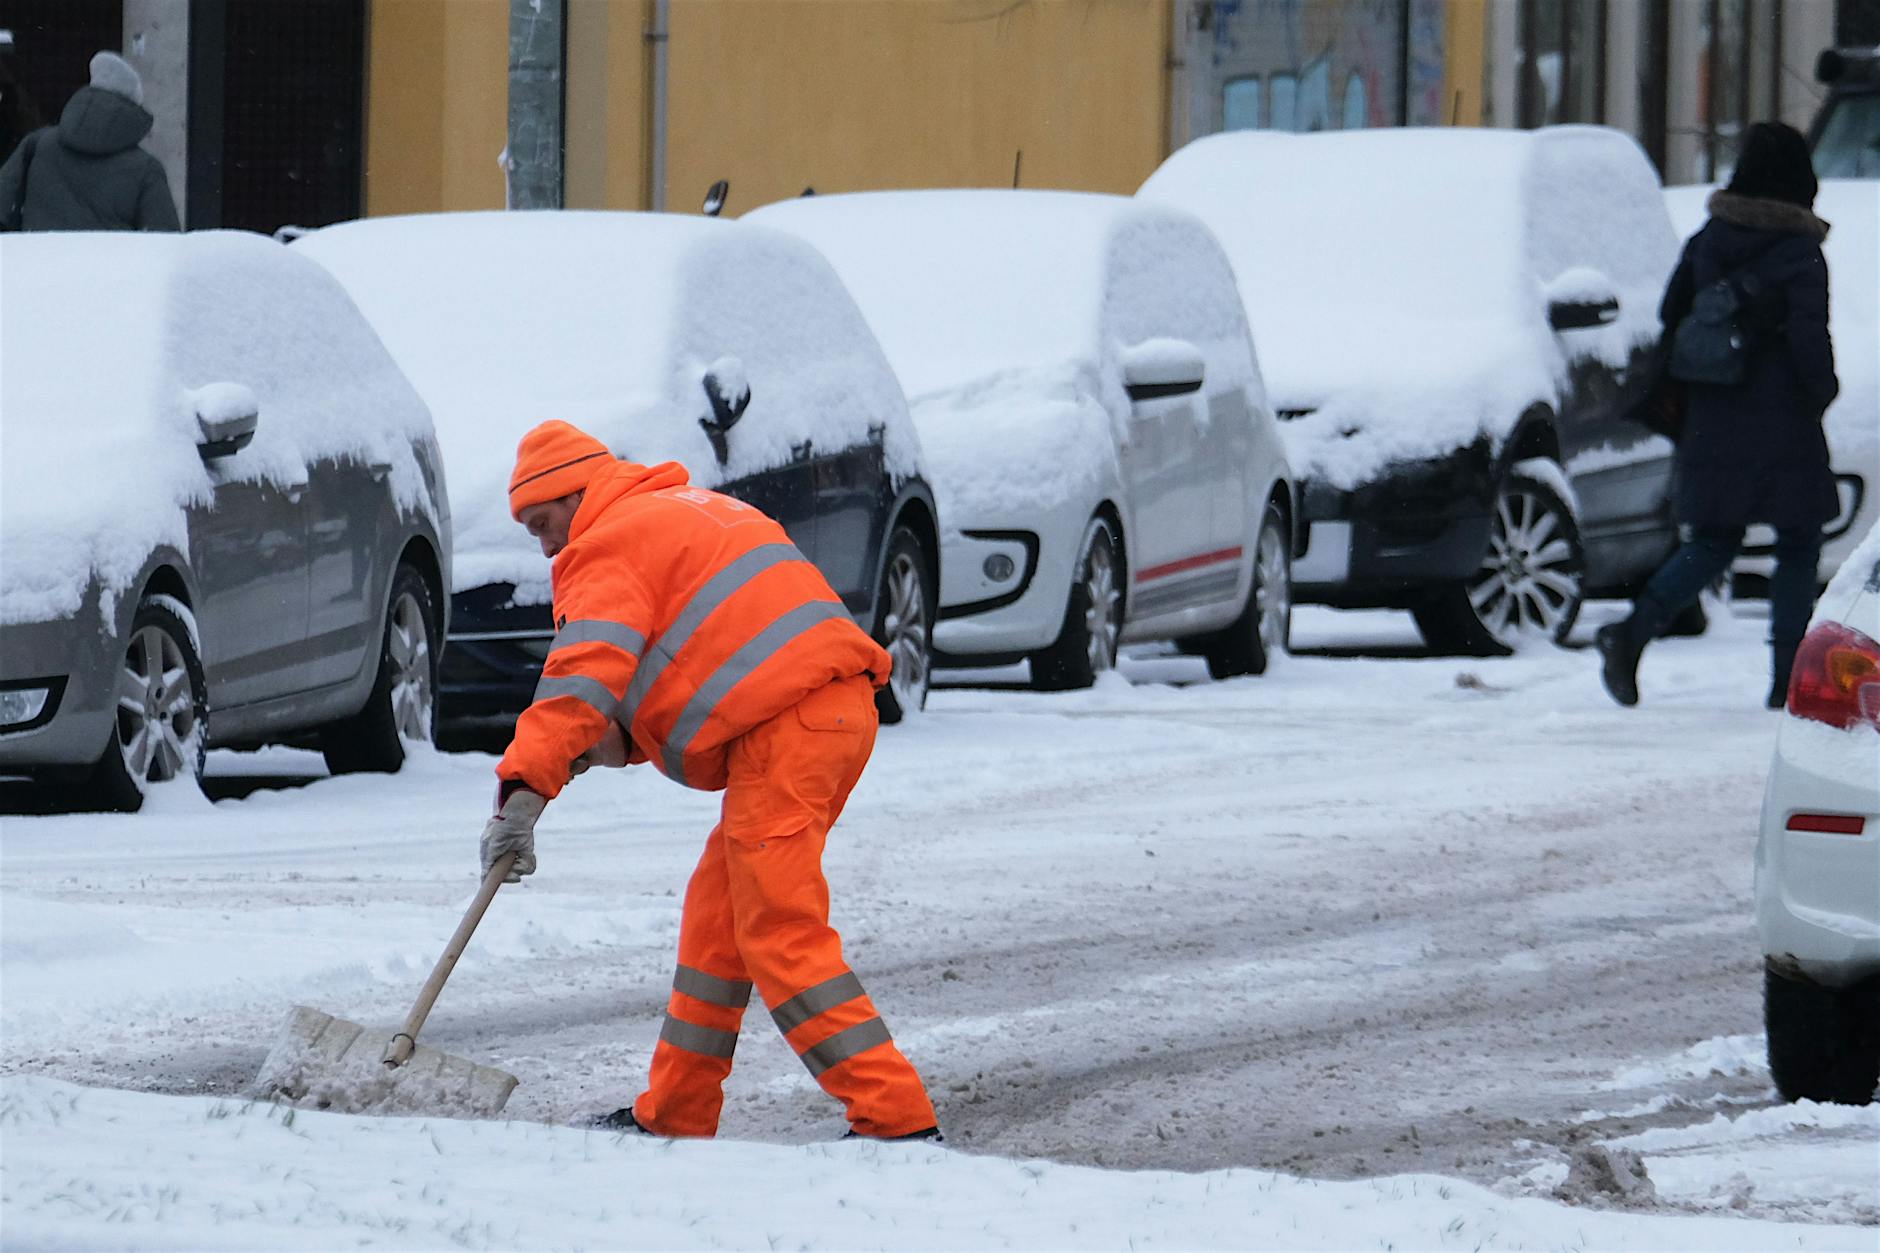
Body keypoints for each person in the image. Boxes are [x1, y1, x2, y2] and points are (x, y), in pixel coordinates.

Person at [480, 419, 941, 1142]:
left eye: (544, 522)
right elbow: (706, 661)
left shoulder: (606, 543)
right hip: (821, 715)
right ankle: (678, 1112)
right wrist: (607, 745)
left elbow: (579, 676)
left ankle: (896, 1121)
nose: (545, 546)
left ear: (577, 495)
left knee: (778, 931)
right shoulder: (686, 509)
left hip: (789, 728)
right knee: (716, 924)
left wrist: (522, 789)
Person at [1597, 121, 1838, 710]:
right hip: (1782, 417)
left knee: (1712, 541)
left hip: (1713, 414)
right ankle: (1787, 680)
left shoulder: (1709, 238)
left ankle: (1632, 633)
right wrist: (1819, 391)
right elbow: (1810, 338)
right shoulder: (1799, 252)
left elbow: (1670, 316)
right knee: (1799, 542)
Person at [0, 51, 180, 232]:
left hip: (39, 258)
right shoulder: (146, 168)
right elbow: (164, 239)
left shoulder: (37, 145)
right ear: (133, 110)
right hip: (112, 260)